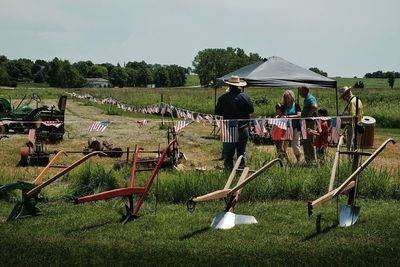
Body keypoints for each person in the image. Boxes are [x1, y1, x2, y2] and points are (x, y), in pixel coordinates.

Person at [215, 75, 254, 170]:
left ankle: (228, 172)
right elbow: (251, 110)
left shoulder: (223, 98)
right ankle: (241, 172)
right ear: (238, 85)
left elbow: (217, 113)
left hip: (228, 128)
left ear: (229, 85)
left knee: (228, 154)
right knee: (242, 152)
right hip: (242, 127)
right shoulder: (245, 97)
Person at [339, 86, 364, 151]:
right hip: (358, 126)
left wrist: (342, 118)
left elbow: (353, 117)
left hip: (353, 128)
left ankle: (351, 161)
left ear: (346, 94)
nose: (344, 99)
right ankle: (355, 161)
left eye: (343, 97)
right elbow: (362, 114)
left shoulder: (352, 102)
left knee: (351, 148)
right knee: (356, 148)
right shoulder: (358, 100)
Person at [299, 85, 318, 164]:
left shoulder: (310, 98)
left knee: (309, 141)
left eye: (301, 91)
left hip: (309, 122)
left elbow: (315, 107)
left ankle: (312, 161)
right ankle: (308, 160)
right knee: (305, 141)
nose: (300, 93)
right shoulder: (306, 99)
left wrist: (308, 115)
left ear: (305, 91)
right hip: (305, 122)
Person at [282, 90, 302, 162]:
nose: (286, 98)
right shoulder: (283, 106)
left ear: (292, 97)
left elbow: (299, 115)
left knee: (295, 145)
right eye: (285, 97)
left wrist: (289, 117)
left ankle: (298, 161)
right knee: (283, 146)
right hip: (285, 128)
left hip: (295, 127)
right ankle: (285, 161)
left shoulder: (296, 105)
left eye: (287, 96)